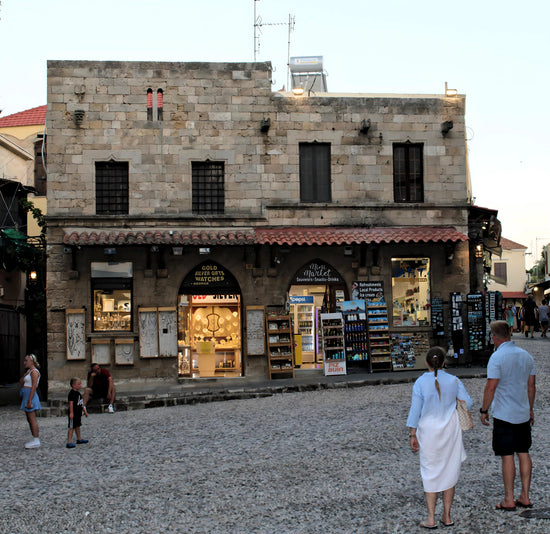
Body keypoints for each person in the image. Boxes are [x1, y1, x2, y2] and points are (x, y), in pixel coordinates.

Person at [407, 346, 472, 529]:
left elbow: (415, 411)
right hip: (450, 431)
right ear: (444, 362)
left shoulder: (420, 383)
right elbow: (469, 403)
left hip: (428, 432)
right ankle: (447, 515)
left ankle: (431, 518)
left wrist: (412, 433)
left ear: (426, 362)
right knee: (449, 471)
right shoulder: (454, 380)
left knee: (430, 473)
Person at [480, 320, 536, 510]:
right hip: (522, 412)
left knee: (507, 455)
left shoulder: (497, 358)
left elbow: (491, 386)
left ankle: (509, 499)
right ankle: (525, 496)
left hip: (504, 413)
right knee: (524, 452)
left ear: (494, 337)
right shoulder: (526, 356)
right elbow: (531, 386)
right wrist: (530, 408)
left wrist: (484, 409)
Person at [19, 354, 42, 449]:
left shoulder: (34, 372)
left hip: (30, 395)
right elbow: (21, 382)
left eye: (26, 360)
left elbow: (34, 387)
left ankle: (36, 439)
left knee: (32, 419)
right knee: (29, 418)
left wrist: (29, 400)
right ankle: (34, 437)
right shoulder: (29, 371)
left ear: (31, 362)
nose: (24, 362)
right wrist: (24, 376)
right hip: (26, 394)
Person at [67, 378, 88, 449]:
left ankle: (79, 439)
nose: (80, 386)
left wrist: (84, 411)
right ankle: (69, 442)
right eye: (78, 384)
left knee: (78, 426)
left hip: (78, 413)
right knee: (71, 427)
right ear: (73, 385)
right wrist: (71, 413)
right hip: (74, 413)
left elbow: (81, 403)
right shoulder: (71, 393)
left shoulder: (78, 394)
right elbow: (71, 403)